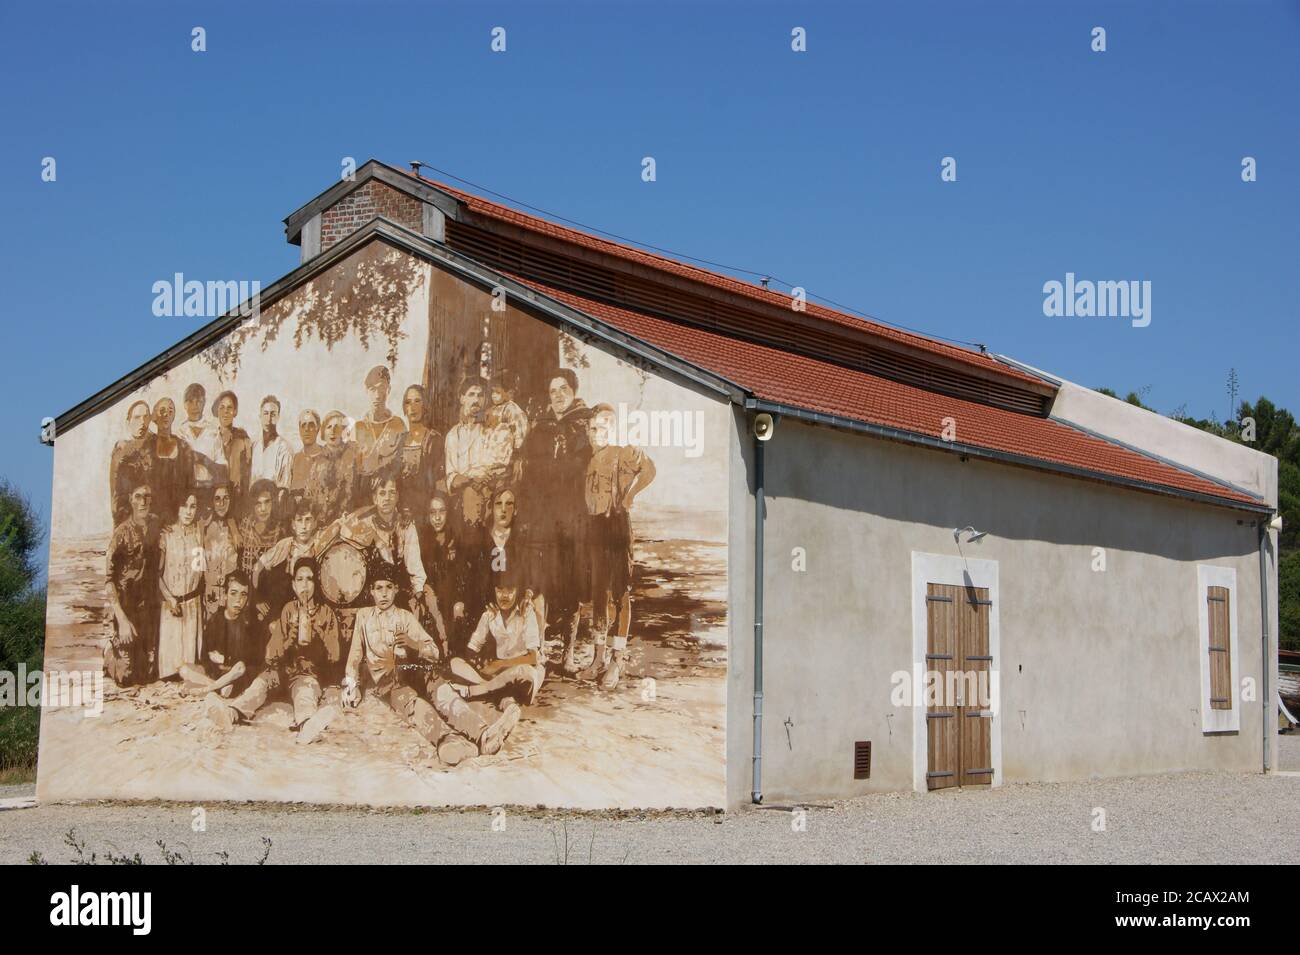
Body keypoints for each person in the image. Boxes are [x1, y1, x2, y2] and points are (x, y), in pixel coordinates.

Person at [341, 563, 520, 766]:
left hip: (414, 669)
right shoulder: (364, 617)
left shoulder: (405, 617)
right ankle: (449, 742)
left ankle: (484, 734)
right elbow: (354, 655)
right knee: (413, 704)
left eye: (389, 587)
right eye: (379, 588)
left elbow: (434, 652)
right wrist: (350, 686)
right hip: (389, 680)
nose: (384, 594)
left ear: (396, 590)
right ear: (371, 591)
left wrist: (413, 644)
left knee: (443, 693)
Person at [577, 404, 656, 687]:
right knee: (598, 593)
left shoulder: (623, 452)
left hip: (617, 526)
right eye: (594, 428)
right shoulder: (588, 459)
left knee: (620, 592)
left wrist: (629, 496)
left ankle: (617, 659)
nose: (598, 433)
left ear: (614, 429)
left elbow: (649, 469)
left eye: (605, 428)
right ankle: (598, 657)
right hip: (595, 528)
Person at [521, 368, 593, 660]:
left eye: (564, 389)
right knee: (542, 581)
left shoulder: (586, 427)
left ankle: (569, 651)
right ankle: (538, 649)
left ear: (574, 391)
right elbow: (528, 476)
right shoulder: (540, 430)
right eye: (553, 391)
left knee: (572, 582)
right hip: (543, 517)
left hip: (574, 516)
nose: (559, 395)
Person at [264, 558, 342, 743]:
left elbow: (335, 656)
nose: (305, 585)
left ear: (317, 584)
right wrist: (289, 636)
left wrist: (320, 633)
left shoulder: (326, 612)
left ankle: (307, 725)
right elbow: (271, 656)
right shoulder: (288, 610)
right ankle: (231, 712)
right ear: (293, 584)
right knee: (259, 685)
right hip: (285, 673)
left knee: (305, 691)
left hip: (307, 675)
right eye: (300, 580)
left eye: (310, 579)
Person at [450, 567, 546, 708]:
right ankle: (499, 691)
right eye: (500, 590)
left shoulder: (526, 613)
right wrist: (477, 661)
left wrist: (499, 664)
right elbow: (472, 648)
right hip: (499, 674)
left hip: (522, 669)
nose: (504, 596)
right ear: (494, 591)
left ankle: (475, 691)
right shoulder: (490, 614)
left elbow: (533, 658)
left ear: (518, 590)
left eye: (510, 590)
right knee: (455, 663)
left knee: (527, 673)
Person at [336, 476, 428, 617]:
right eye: (382, 493)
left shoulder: (405, 523)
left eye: (392, 492)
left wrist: (418, 591)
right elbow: (344, 529)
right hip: (369, 589)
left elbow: (414, 563)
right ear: (375, 498)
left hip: (396, 586)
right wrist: (376, 539)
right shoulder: (364, 518)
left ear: (397, 496)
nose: (387, 498)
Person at [104, 483, 160, 685]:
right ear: (130, 499)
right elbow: (109, 580)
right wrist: (122, 618)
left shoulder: (155, 525)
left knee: (148, 674)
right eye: (138, 496)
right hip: (126, 609)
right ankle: (110, 652)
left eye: (147, 496)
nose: (143, 501)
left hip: (147, 609)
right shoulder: (121, 534)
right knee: (126, 677)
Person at [180, 571, 260, 699]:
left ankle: (208, 689)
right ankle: (217, 687)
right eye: (233, 593)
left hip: (236, 675)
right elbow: (206, 657)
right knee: (184, 669)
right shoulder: (215, 619)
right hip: (216, 674)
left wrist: (224, 660)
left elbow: (247, 661)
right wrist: (215, 665)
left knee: (240, 668)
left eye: (243, 595)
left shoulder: (249, 623)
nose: (239, 600)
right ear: (225, 595)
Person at [157, 491, 206, 680]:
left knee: (190, 670)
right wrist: (170, 599)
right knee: (171, 671)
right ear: (177, 508)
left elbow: (200, 569)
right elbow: (157, 574)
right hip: (172, 607)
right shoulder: (166, 535)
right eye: (184, 506)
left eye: (193, 506)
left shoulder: (198, 533)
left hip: (193, 606)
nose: (188, 511)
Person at [252, 498, 329, 619]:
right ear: (293, 524)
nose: (304, 526)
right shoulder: (285, 545)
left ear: (314, 523)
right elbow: (257, 568)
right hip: (286, 611)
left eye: (308, 520)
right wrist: (257, 598)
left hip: (313, 610)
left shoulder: (319, 545)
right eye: (299, 520)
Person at [444, 376, 499, 529]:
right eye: (471, 394)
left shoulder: (491, 430)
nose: (476, 400)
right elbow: (452, 480)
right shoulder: (453, 436)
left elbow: (496, 467)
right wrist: (472, 479)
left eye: (480, 395)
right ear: (462, 398)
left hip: (490, 496)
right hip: (461, 505)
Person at [417, 491, 468, 656]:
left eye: (442, 512)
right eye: (433, 512)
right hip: (431, 597)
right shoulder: (423, 540)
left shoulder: (456, 538)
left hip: (453, 597)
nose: (437, 518)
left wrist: (460, 600)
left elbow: (463, 575)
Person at [353, 366, 406, 507]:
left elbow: (401, 462)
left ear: (388, 390)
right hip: (363, 497)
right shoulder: (358, 428)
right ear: (366, 391)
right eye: (372, 389)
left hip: (390, 496)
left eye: (381, 388)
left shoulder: (398, 425)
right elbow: (354, 469)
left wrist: (383, 474)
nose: (377, 395)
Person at [396, 384, 442, 521]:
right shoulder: (398, 440)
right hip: (399, 510)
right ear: (404, 408)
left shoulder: (434, 439)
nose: (413, 407)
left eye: (417, 401)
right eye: (408, 402)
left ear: (425, 405)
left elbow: (437, 481)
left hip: (425, 510)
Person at [108, 401, 157, 524]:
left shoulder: (157, 446)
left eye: (146, 417)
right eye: (136, 418)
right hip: (129, 520)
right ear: (128, 422)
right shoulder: (121, 452)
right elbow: (117, 495)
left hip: (155, 521)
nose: (142, 422)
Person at [237, 479, 282, 609]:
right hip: (244, 597)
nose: (263, 509)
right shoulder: (244, 525)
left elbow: (277, 578)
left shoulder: (279, 531)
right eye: (258, 504)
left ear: (273, 502)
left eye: (267, 502)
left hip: (266, 600)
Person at [150, 396, 195, 523]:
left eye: (170, 411)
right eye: (162, 410)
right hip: (152, 520)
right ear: (154, 416)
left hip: (177, 521)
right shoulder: (147, 447)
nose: (166, 415)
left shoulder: (184, 448)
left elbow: (190, 486)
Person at [201, 481, 241, 616]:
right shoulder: (203, 526)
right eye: (217, 499)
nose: (221, 504)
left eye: (226, 498)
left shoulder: (237, 526)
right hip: (210, 593)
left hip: (231, 594)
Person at [485, 372, 528, 482]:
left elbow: (520, 435)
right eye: (492, 392)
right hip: (491, 460)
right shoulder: (492, 410)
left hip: (507, 460)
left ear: (509, 393)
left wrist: (517, 458)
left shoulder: (512, 409)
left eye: (498, 392)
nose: (493, 395)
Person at [316, 410, 357, 524]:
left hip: (347, 520)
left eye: (337, 427)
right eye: (329, 427)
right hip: (320, 521)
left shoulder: (353, 456)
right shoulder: (317, 461)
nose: (333, 431)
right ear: (324, 432)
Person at [180, 382, 222, 490]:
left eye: (198, 401)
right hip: (185, 491)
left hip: (209, 489)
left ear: (204, 403)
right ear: (184, 404)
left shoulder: (213, 431)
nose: (195, 406)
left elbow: (221, 468)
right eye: (190, 401)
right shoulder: (179, 432)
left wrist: (202, 459)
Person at [212, 390, 252, 503]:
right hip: (215, 496)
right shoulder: (211, 437)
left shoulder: (243, 439)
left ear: (235, 411)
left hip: (236, 497)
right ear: (217, 411)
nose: (225, 412)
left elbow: (247, 474)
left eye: (229, 408)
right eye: (222, 408)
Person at [250, 394, 294, 496]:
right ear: (260, 416)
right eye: (265, 413)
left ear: (278, 417)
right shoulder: (254, 446)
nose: (269, 418)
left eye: (273, 414)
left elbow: (284, 487)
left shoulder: (284, 448)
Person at [289, 409, 327, 510]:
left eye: (311, 425)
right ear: (299, 429)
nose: (307, 429)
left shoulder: (328, 456)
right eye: (303, 425)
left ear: (318, 428)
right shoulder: (295, 459)